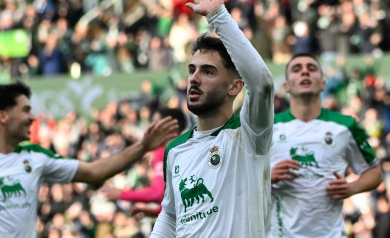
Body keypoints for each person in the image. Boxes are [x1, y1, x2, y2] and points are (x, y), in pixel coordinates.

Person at [0, 82, 179, 238]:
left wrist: (143, 146)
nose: (32, 118)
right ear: (2, 116)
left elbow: (95, 171)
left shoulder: (36, 157)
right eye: (26, 110)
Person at [150, 0, 275, 237]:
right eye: (192, 70)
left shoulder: (250, 136)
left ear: (234, 87)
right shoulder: (175, 150)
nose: (194, 78)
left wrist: (218, 15)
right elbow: (170, 215)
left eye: (208, 71)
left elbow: (262, 84)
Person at [267, 53, 382, 238]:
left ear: (323, 83)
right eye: (297, 70)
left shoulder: (345, 126)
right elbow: (240, 176)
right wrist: (265, 178)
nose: (305, 72)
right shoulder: (267, 128)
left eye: (311, 69)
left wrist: (351, 188)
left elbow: (375, 172)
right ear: (286, 85)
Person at [103, 107, 187, 217]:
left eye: (156, 122)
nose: (150, 126)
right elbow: (170, 199)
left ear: (171, 126)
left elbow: (160, 193)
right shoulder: (160, 151)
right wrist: (153, 212)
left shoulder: (177, 152)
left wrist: (121, 194)